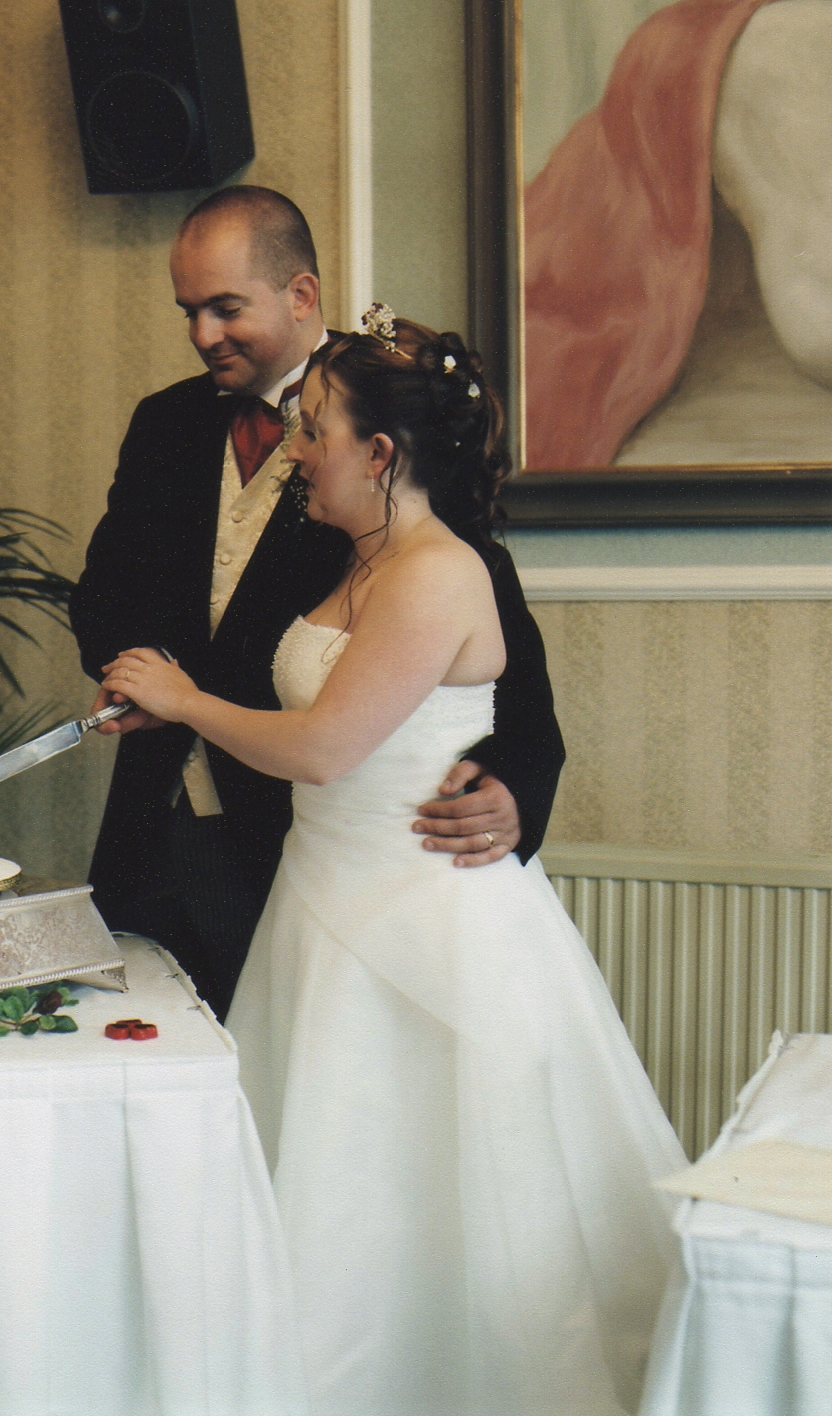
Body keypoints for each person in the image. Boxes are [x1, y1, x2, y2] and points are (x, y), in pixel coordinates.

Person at [106, 316, 687, 1416]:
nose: (293, 446)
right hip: (315, 901)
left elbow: (327, 745)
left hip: (418, 914)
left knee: (444, 1201)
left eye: (313, 427)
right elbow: (261, 673)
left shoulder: (438, 570)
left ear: (379, 453)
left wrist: (185, 699)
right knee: (335, 1197)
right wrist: (166, 707)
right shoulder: (347, 551)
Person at [69, 186, 565, 1019]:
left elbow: (502, 661)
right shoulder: (165, 423)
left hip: (301, 845)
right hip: (155, 830)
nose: (202, 335)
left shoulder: (389, 410)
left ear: (301, 295)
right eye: (188, 311)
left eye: (225, 308)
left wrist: (518, 785)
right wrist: (136, 675)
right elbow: (104, 593)